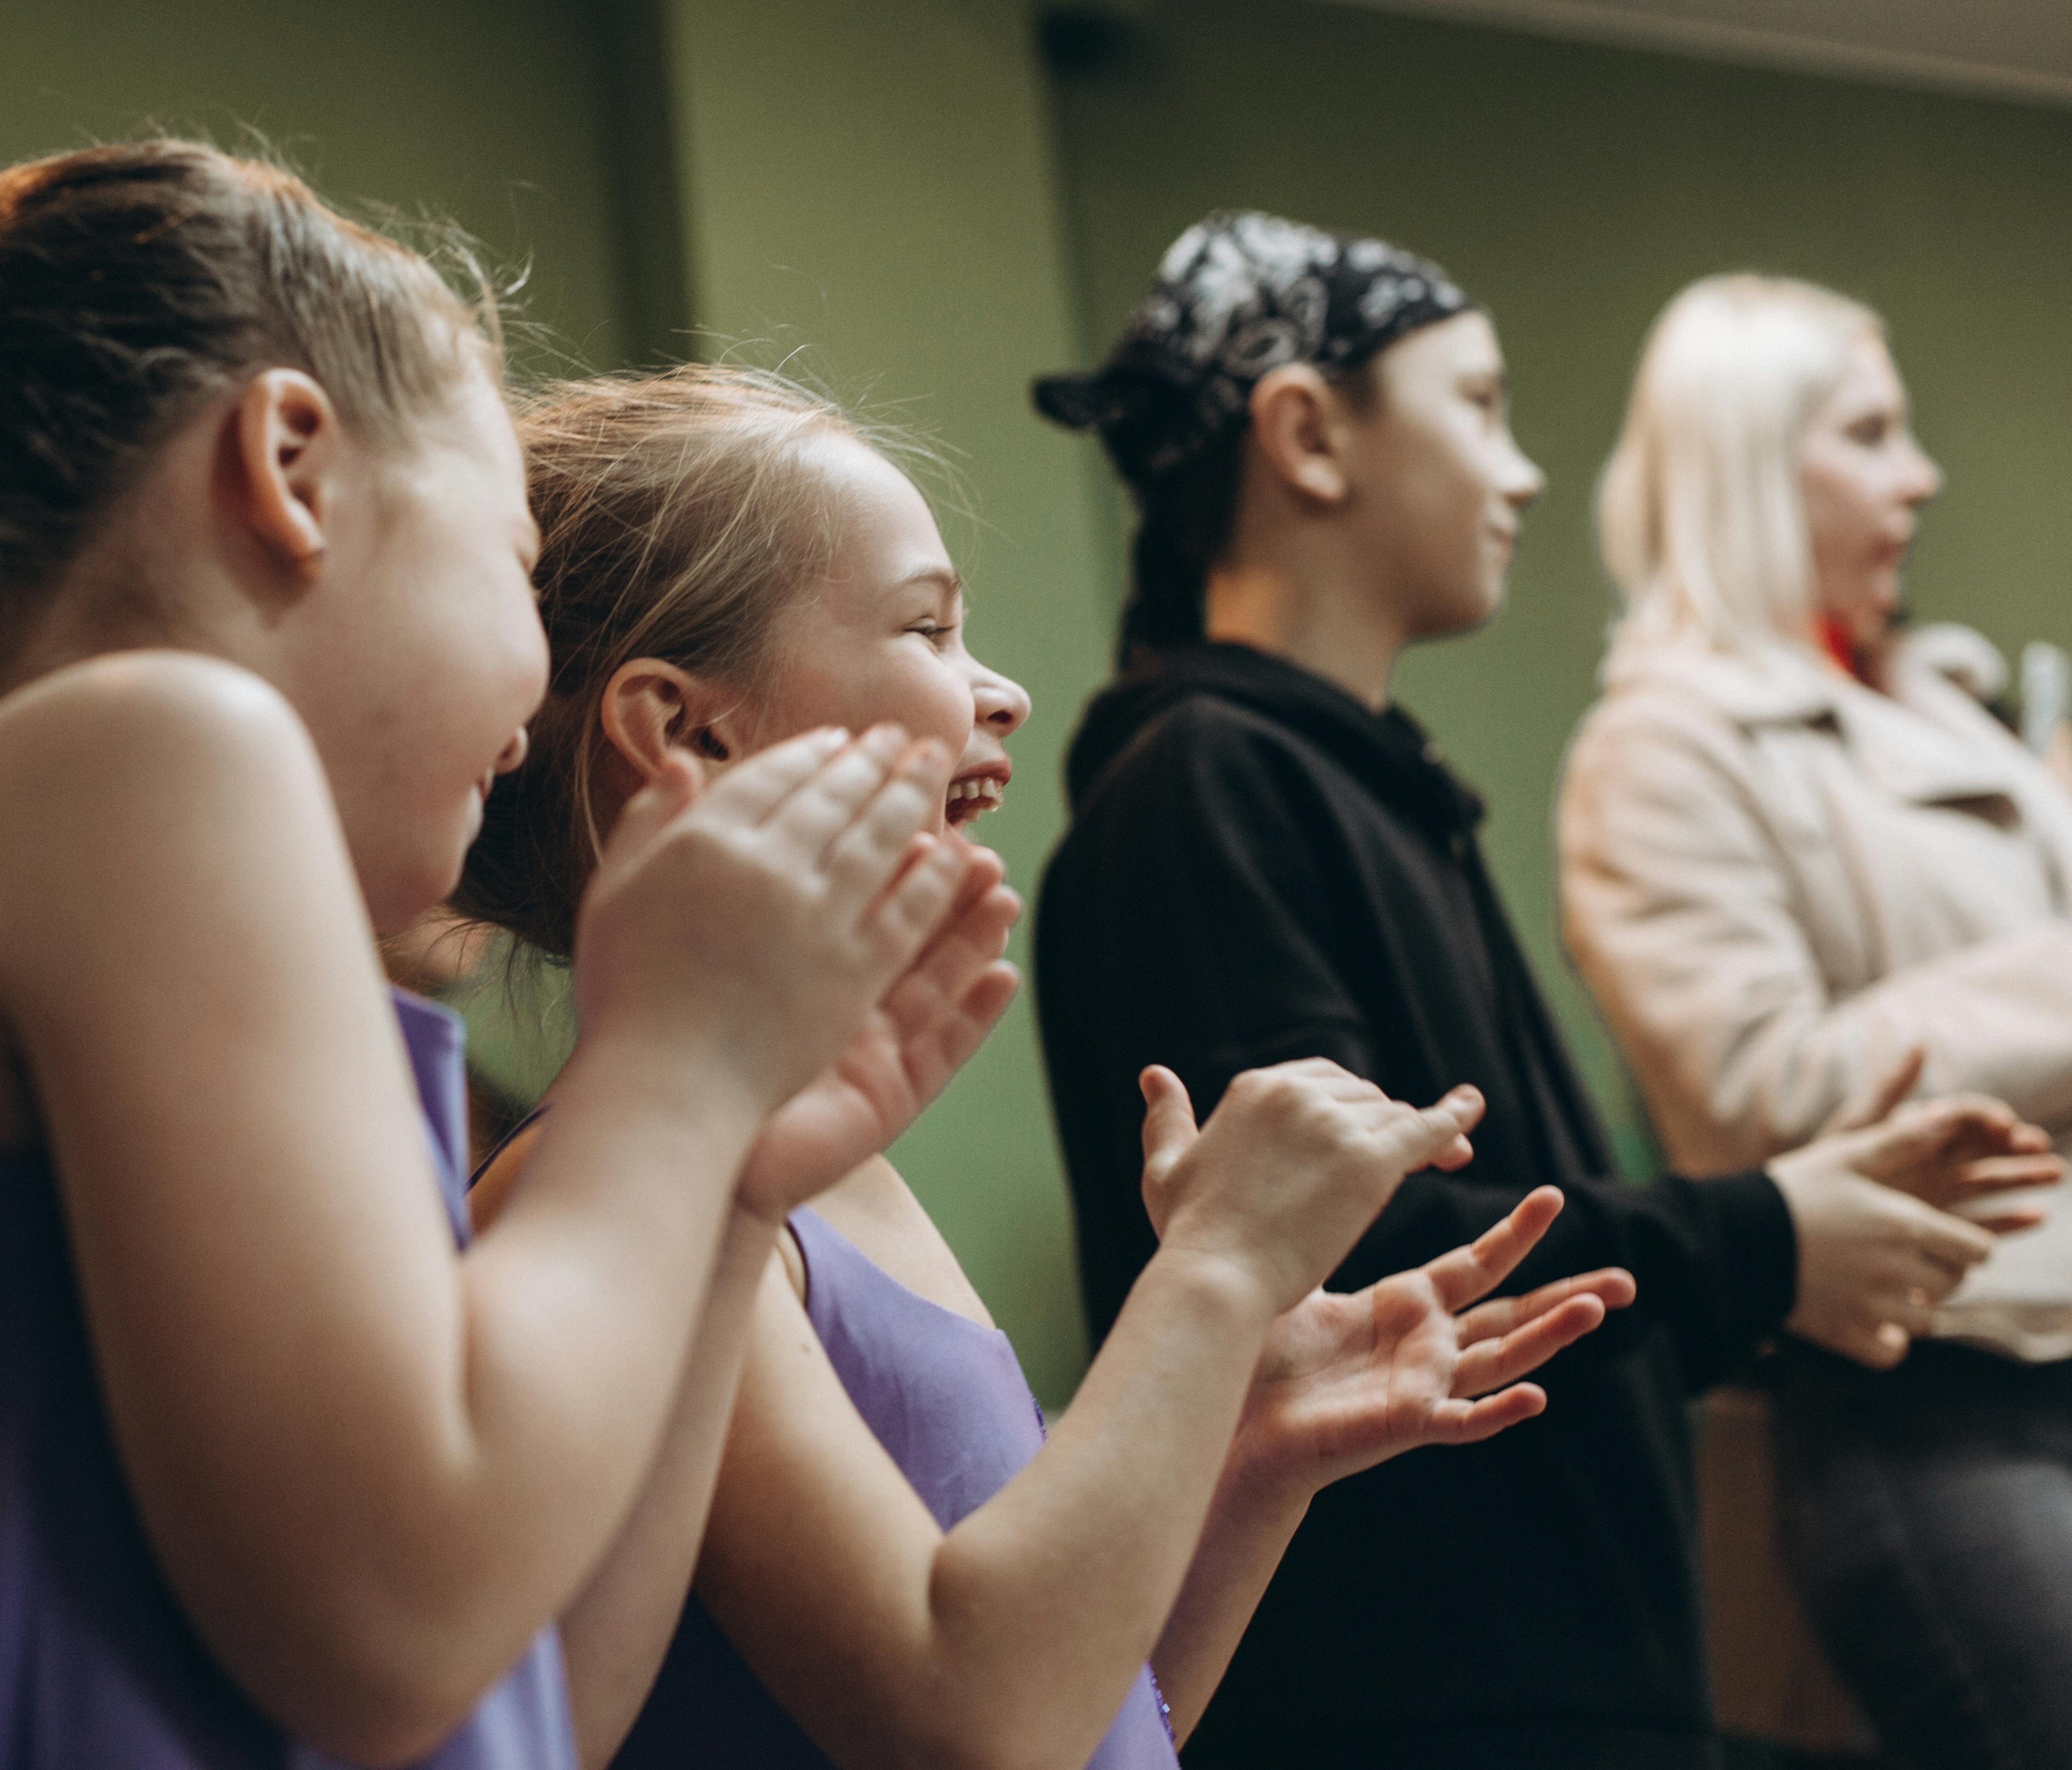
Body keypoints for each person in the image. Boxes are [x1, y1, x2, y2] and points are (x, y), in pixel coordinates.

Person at [0, 146, 1011, 1770]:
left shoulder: (107, 829)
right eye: (518, 567)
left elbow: (523, 1710)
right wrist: (676, 1064)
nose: (537, 689)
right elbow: (400, 1620)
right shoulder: (150, 745)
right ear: (295, 466)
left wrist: (718, 1191)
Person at [455, 365, 1631, 1770]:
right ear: (693, 733)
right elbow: (973, 1730)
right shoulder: (617, 1201)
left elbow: (1080, 1721)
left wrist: (1250, 1456)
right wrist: (1211, 1275)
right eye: (928, 630)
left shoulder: (839, 1178)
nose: (999, 693)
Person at [1030, 212, 2056, 1770]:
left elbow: (1490, 1221)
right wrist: (1768, 1236)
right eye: (1483, 407)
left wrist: (1781, 1240)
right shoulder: (1207, 789)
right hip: (1429, 1695)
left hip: (1551, 1670)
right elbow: (1351, 1262)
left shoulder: (1360, 789)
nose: (1523, 476)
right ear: (1308, 435)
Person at [1560, 273, 2072, 1770]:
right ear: (1746, 463)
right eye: (1870, 431)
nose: (1919, 474)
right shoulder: (1661, 746)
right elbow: (1759, 1095)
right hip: (1932, 1408)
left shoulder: (1948, 712)